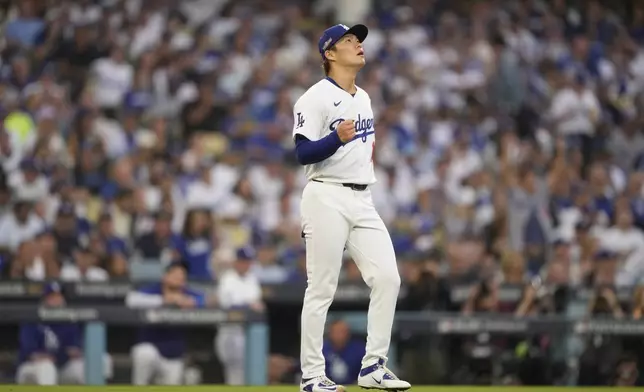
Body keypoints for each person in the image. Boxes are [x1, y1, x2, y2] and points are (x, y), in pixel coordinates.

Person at [293, 23, 410, 391]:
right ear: (329, 54)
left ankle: (373, 366)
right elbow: (302, 153)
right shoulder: (314, 97)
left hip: (362, 197)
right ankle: (312, 377)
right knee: (322, 288)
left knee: (388, 278)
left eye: (358, 40)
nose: (358, 44)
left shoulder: (364, 97)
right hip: (325, 194)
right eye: (348, 40)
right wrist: (334, 138)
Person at [125, 262, 206, 385]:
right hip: (152, 350)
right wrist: (164, 300)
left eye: (182, 277)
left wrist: (194, 302)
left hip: (174, 355)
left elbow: (207, 299)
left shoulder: (187, 294)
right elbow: (131, 299)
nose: (179, 279)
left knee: (178, 380)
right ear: (165, 277)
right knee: (143, 353)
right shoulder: (154, 290)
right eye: (175, 275)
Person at [16, 282, 84, 385]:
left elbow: (74, 351)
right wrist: (60, 354)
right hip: (31, 368)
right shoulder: (32, 320)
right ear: (44, 299)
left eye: (59, 296)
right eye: (52, 296)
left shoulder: (70, 322)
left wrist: (56, 356)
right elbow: (31, 354)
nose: (56, 300)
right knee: (47, 367)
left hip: (60, 367)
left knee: (80, 367)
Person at [215, 246, 264, 385]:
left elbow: (257, 302)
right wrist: (248, 306)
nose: (246, 265)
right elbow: (227, 305)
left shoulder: (252, 279)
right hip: (229, 331)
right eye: (243, 261)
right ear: (236, 261)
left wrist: (251, 305)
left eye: (248, 261)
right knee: (235, 373)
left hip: (248, 332)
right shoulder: (227, 279)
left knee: (248, 373)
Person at [323, 320, 366, 386]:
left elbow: (366, 372)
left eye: (343, 331)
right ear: (330, 333)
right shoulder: (321, 350)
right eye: (337, 332)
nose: (340, 335)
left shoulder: (360, 349)